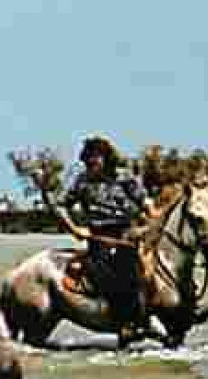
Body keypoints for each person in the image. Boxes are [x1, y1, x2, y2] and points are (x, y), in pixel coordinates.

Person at [55, 135, 154, 343]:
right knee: (118, 270)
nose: (91, 164)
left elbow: (144, 201)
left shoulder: (124, 177)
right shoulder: (82, 181)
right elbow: (60, 204)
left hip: (130, 234)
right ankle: (126, 324)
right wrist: (75, 229)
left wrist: (152, 216)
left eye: (95, 158)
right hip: (101, 239)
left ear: (106, 157)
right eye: (87, 160)